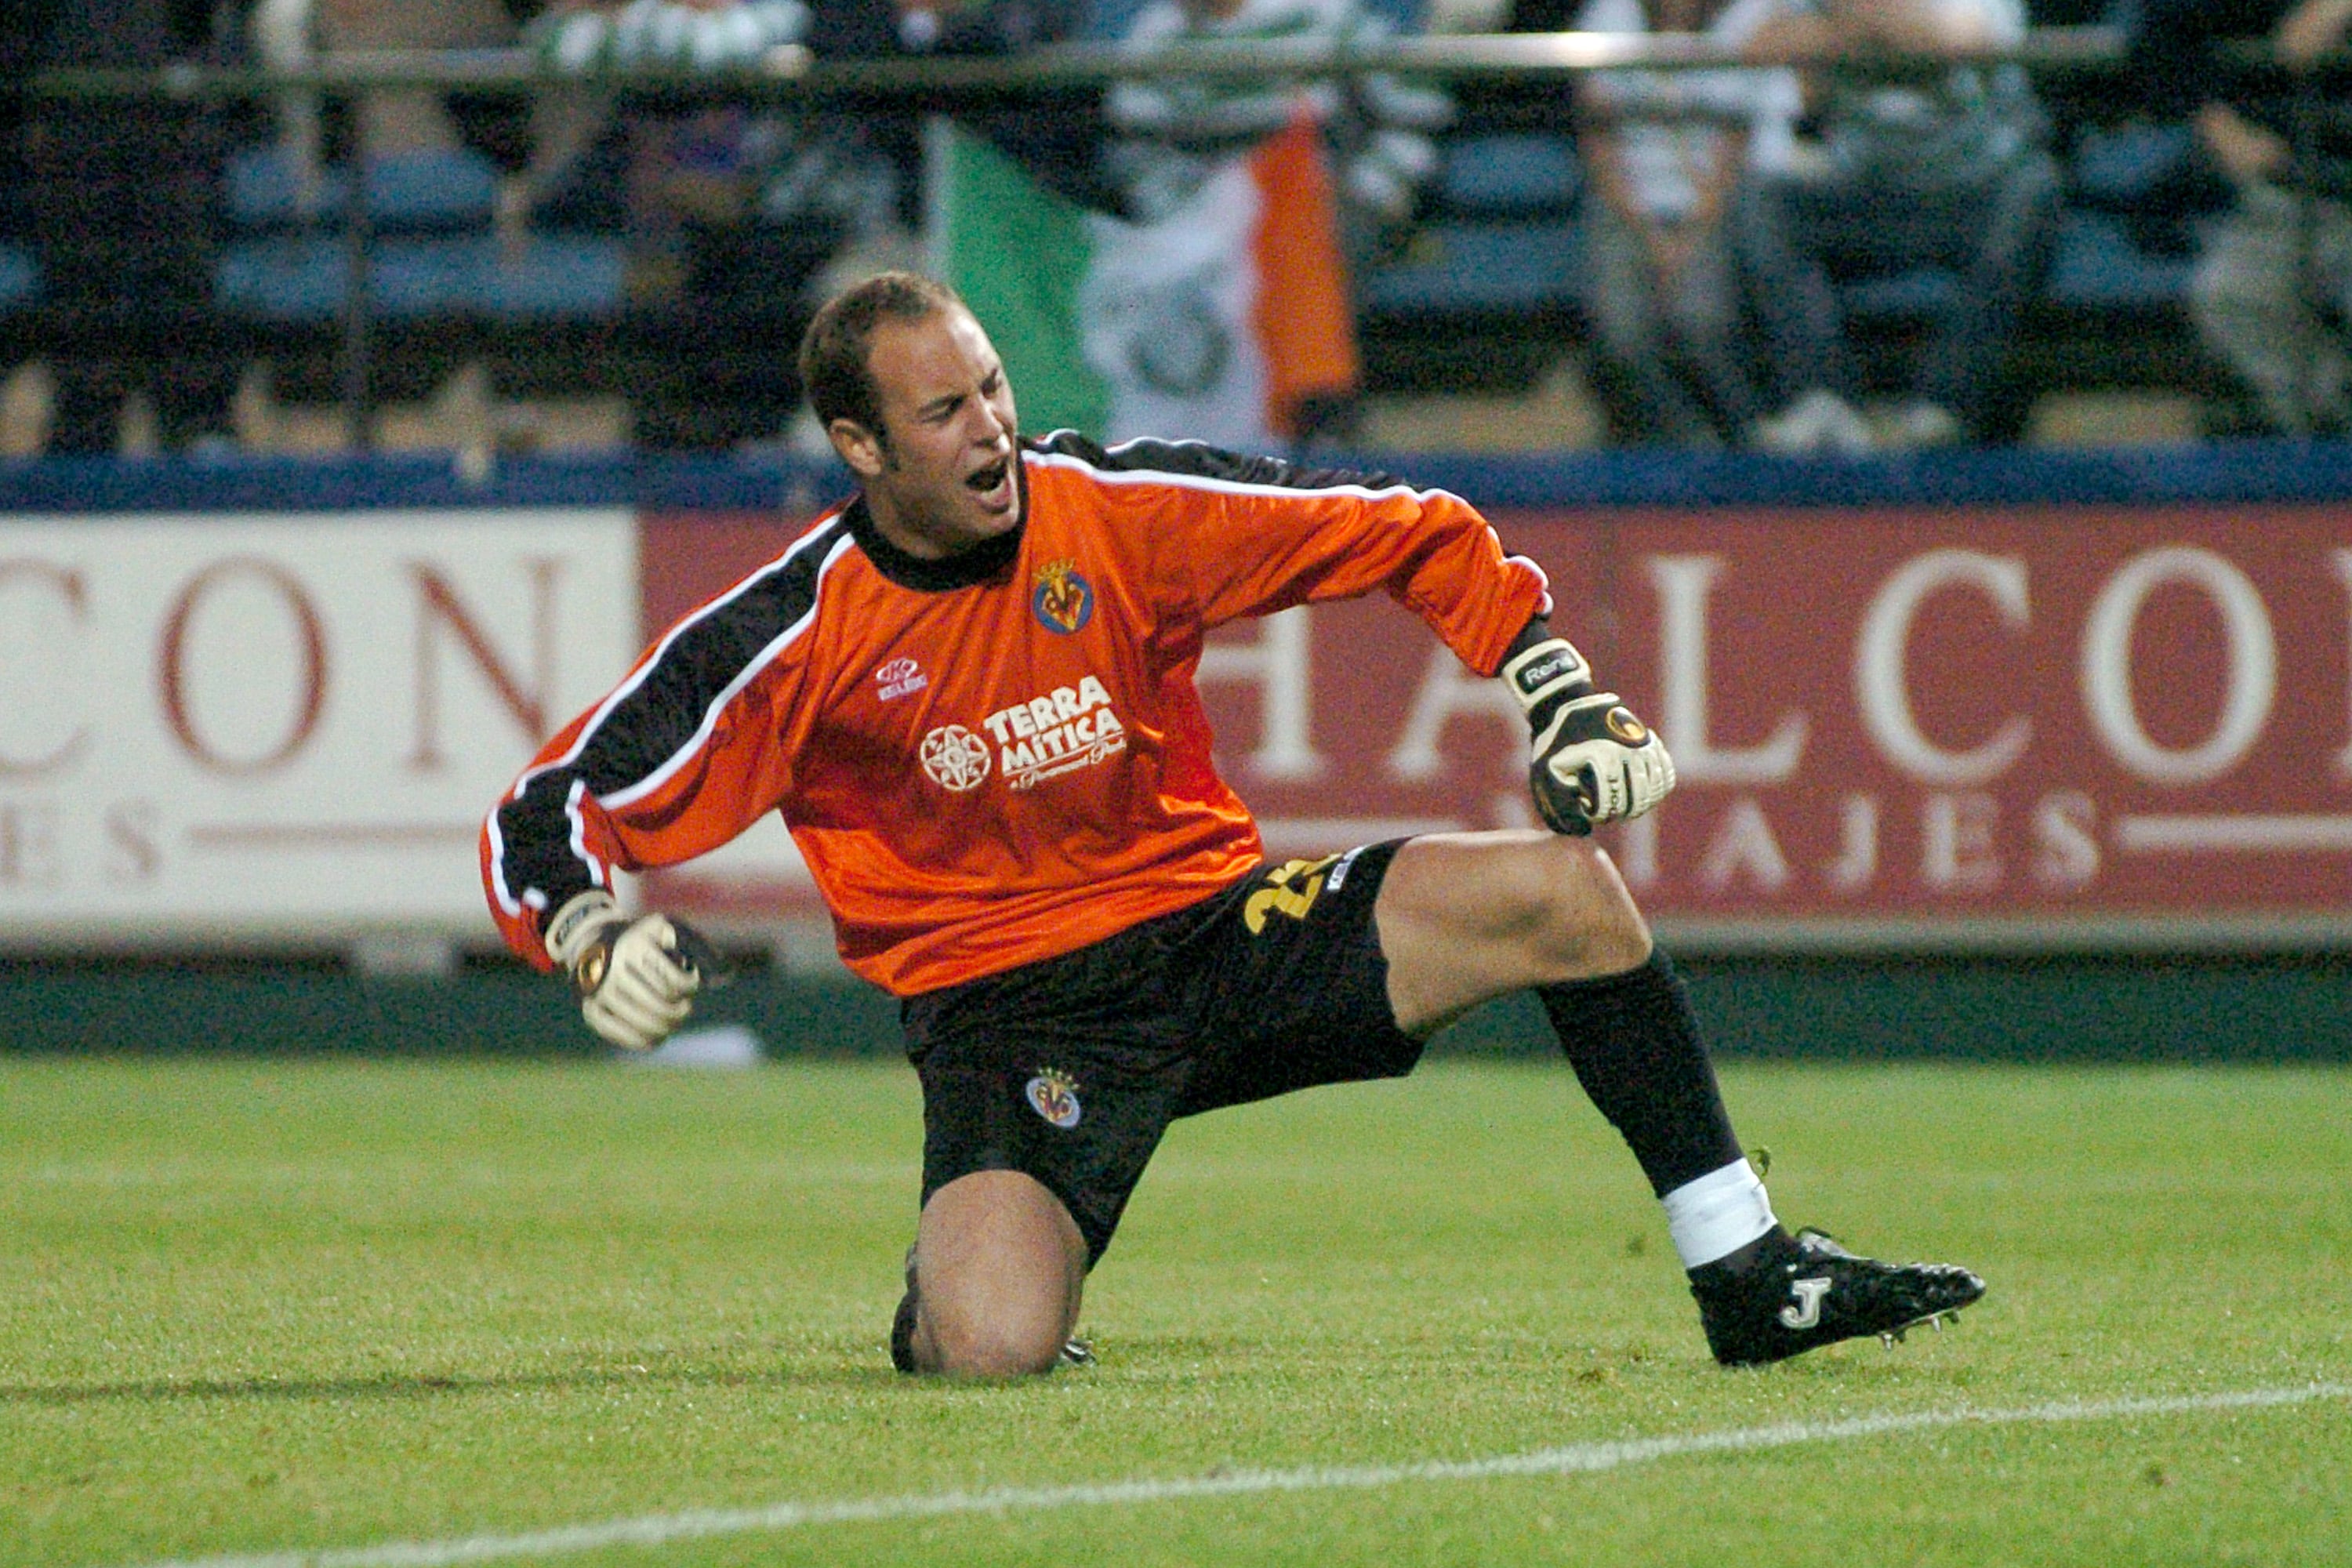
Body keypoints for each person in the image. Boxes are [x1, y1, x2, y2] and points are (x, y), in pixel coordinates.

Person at [478, 270, 1984, 1377]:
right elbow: (559, 801)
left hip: (1219, 937)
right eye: (945, 412)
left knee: (1570, 897)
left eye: (993, 387)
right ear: (860, 448)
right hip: (1009, 1017)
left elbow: (1408, 528)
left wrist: (1553, 681)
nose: (995, 429)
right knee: (991, 1354)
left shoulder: (1112, 510)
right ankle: (953, 1291)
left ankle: (1750, 1274)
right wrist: (586, 921)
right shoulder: (800, 629)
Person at [1730, 0, 2060, 452]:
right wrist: (1890, 29)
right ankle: (1822, 400)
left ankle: (1945, 406)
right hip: (1864, 190)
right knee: (1764, 198)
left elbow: (1963, 40)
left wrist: (1848, 25)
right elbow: (1760, 43)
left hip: (1968, 188)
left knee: (2034, 188)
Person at [1568, 0, 1803, 447]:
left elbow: (1733, 150)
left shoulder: (1742, 22)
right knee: (1623, 336)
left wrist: (1691, 232)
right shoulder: (1609, 17)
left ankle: (1747, 438)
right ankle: (1684, 442)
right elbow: (1597, 138)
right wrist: (1649, 233)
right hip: (1626, 207)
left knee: (1701, 325)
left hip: (1708, 208)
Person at [2132, 0, 2352, 437]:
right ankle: (2334, 423)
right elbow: (2157, 41)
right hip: (2301, 184)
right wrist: (2222, 128)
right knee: (2229, 296)